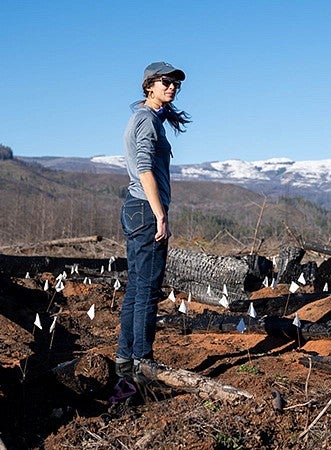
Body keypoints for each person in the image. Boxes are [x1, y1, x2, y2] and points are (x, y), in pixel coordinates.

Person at [115, 62, 191, 383]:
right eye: (165, 82)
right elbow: (144, 169)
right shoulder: (145, 121)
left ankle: (124, 359)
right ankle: (143, 363)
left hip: (137, 208)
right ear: (149, 86)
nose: (172, 87)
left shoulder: (149, 119)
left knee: (137, 286)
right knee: (148, 289)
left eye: (176, 83)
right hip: (146, 210)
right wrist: (160, 214)